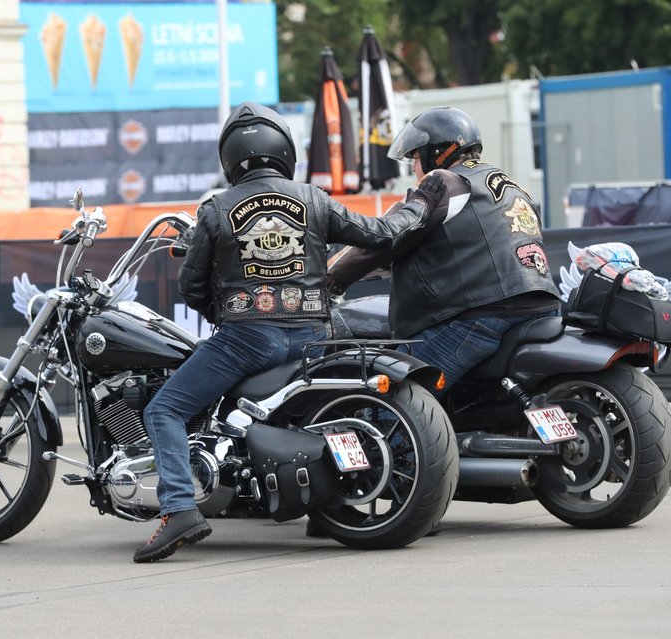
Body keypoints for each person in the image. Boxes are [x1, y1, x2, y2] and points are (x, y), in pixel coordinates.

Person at [133, 101, 448, 563]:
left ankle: (179, 508)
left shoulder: (216, 208)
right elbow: (379, 233)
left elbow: (192, 285)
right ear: (284, 150)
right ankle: (325, 506)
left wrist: (219, 314)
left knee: (164, 409)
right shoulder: (314, 198)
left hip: (246, 338)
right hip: (314, 336)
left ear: (230, 157)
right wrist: (418, 206)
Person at [327, 106, 561, 389]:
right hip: (543, 305)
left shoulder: (445, 181)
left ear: (437, 152)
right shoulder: (514, 187)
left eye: (415, 158)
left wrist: (330, 278)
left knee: (396, 392)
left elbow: (389, 236)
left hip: (485, 313)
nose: (414, 167)